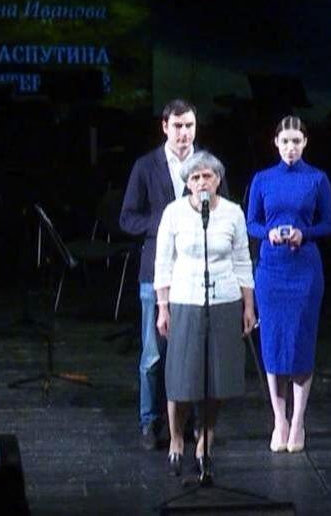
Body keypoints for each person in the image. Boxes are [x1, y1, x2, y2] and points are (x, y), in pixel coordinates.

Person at [153, 151, 256, 476]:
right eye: (195, 178)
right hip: (185, 300)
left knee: (216, 378)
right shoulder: (174, 213)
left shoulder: (233, 213)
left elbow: (242, 261)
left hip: (224, 300)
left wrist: (248, 305)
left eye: (207, 176)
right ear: (187, 183)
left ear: (218, 180)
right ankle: (176, 439)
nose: (201, 183)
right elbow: (163, 263)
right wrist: (163, 307)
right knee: (182, 377)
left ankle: (206, 440)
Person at [246, 116, 331, 453]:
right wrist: (267, 233)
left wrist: (304, 233)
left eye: (296, 141)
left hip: (304, 270)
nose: (291, 147)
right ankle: (279, 420)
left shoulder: (317, 178)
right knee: (273, 344)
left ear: (305, 142)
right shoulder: (262, 179)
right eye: (285, 141)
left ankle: (298, 422)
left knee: (300, 342)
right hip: (271, 270)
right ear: (276, 143)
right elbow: (251, 222)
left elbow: (327, 223)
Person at [120, 99, 198, 450]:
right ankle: (150, 420)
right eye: (178, 126)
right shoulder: (146, 166)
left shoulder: (205, 165)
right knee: (153, 354)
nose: (184, 133)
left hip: (194, 273)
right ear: (165, 127)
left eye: (189, 126)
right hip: (156, 272)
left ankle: (188, 420)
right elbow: (127, 218)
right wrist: (165, 224)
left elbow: (224, 207)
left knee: (191, 352)